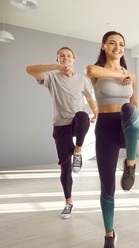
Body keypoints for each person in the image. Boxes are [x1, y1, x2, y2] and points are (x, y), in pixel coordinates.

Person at [86, 31, 139, 248]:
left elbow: (134, 103)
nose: (117, 47)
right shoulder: (97, 71)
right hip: (106, 128)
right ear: (104, 46)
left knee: (129, 108)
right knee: (107, 186)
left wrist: (138, 125)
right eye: (112, 43)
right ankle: (109, 234)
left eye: (121, 44)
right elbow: (90, 70)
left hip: (127, 126)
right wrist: (118, 77)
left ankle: (131, 163)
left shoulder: (131, 75)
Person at [26, 47, 97, 220]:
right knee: (65, 167)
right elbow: (29, 70)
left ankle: (78, 151)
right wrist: (55, 67)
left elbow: (88, 97)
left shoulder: (81, 79)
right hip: (60, 126)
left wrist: (96, 111)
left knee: (82, 116)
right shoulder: (51, 77)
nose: (65, 58)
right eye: (61, 57)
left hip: (77, 122)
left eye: (68, 56)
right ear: (58, 59)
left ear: (74, 60)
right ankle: (68, 202)